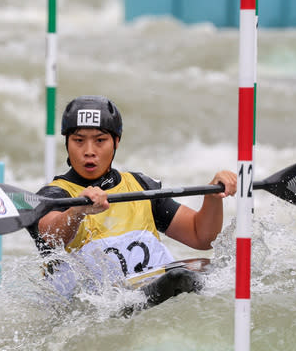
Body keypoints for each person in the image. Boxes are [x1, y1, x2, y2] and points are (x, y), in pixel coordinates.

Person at [28, 95, 237, 292]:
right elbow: (51, 237)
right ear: (67, 142)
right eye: (79, 140)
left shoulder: (140, 187)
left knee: (204, 267)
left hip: (145, 294)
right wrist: (78, 211)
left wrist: (212, 198)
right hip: (91, 310)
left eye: (100, 140)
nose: (89, 150)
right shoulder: (54, 194)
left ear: (116, 142)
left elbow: (201, 236)